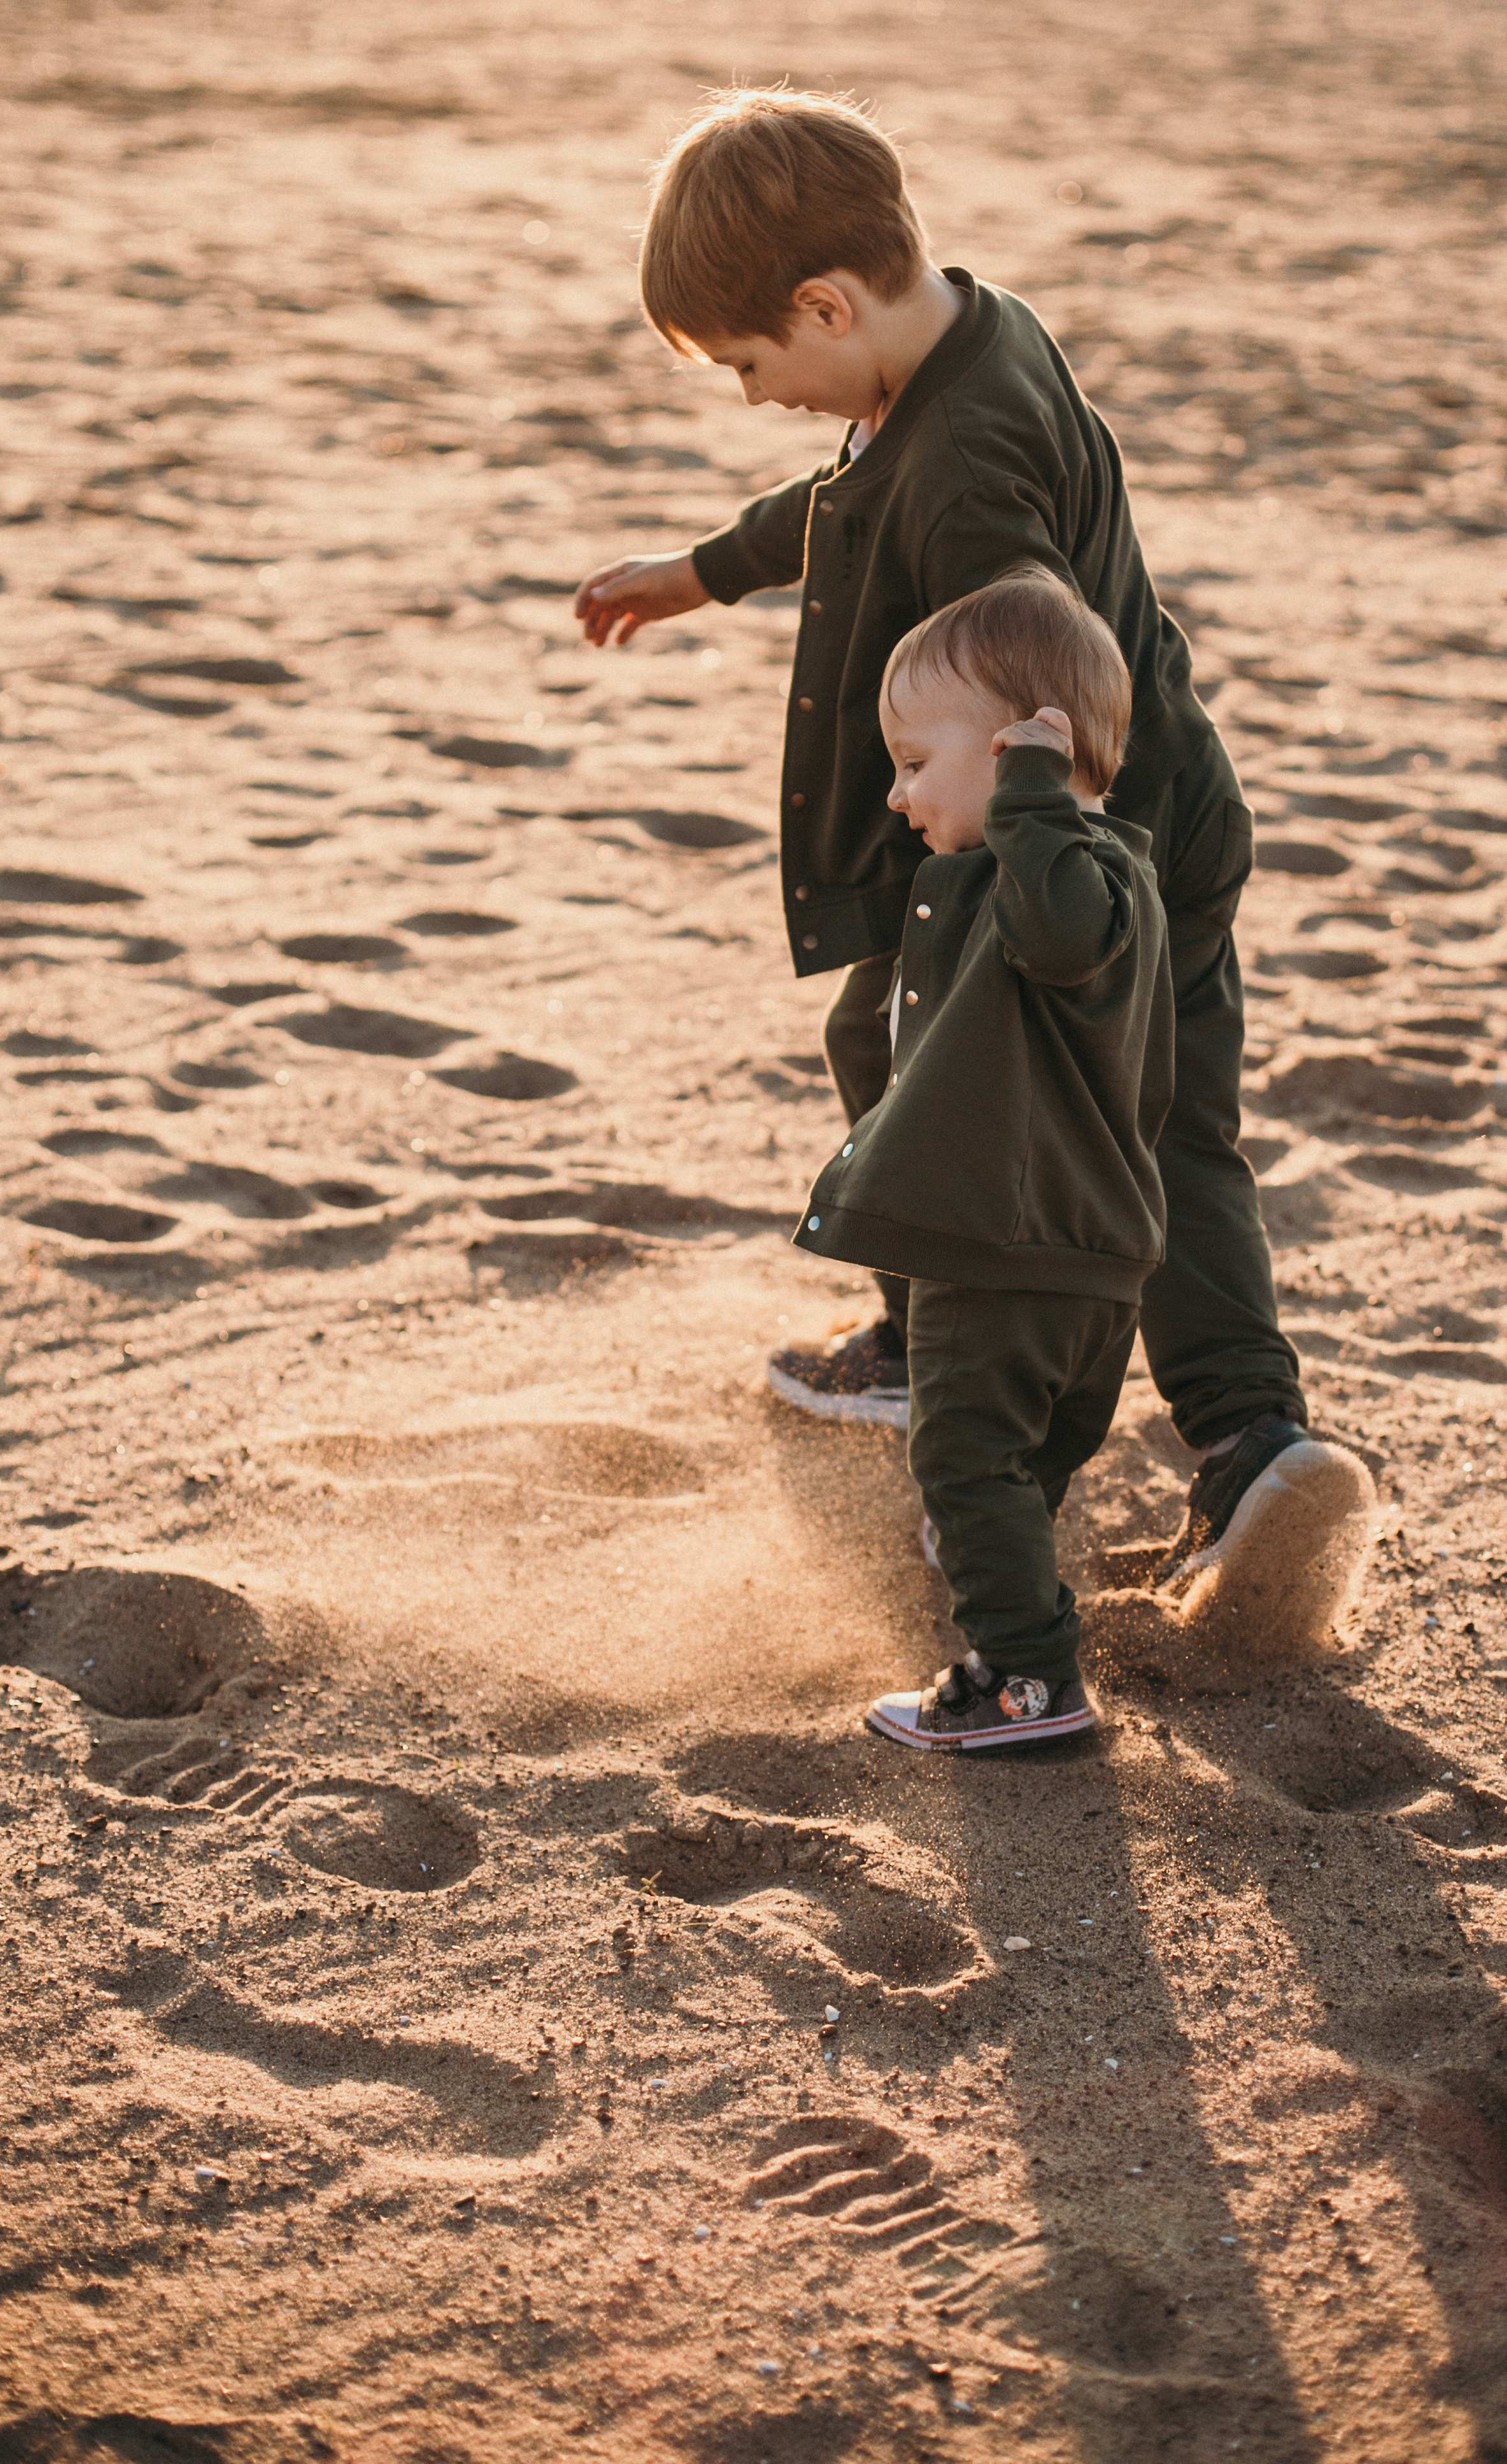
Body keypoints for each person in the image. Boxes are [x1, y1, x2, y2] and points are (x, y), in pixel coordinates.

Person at [573, 86, 1343, 1605]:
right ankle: (1238, 1440)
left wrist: (1032, 877)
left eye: (746, 363)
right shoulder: (964, 342)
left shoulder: (971, 459)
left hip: (1080, 848)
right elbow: (851, 495)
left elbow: (1031, 669)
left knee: (1076, 1110)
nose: (745, 395)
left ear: (822, 302)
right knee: (1046, 1081)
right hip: (1148, 811)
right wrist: (703, 572)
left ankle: (1118, 1413)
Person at [792, 569, 1166, 1746]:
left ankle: (1025, 1682)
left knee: (957, 1446)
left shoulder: (1073, 879)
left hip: (1006, 1251)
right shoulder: (1098, 877)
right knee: (1003, 1468)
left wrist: (1033, 801)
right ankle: (1006, 1591)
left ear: (1020, 756)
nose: (898, 795)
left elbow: (1054, 936)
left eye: (915, 763)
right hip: (1077, 1255)